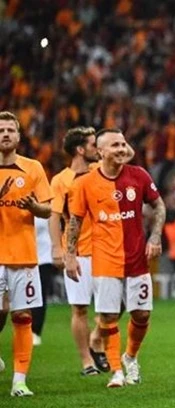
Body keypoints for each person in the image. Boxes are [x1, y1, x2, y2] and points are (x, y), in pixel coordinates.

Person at [66, 128, 166, 388]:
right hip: (105, 260)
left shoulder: (139, 175)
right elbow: (75, 221)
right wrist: (70, 255)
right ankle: (116, 371)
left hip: (137, 259)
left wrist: (155, 237)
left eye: (123, 144)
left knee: (142, 314)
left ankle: (130, 357)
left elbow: (158, 205)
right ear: (100, 152)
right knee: (108, 317)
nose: (121, 149)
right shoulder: (84, 183)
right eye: (115, 145)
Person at [0, 111, 53, 396]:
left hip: (23, 255)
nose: (5, 134)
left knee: (22, 315)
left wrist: (34, 207)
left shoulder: (33, 168)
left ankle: (19, 381)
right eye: (1, 130)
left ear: (19, 136)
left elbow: (48, 208)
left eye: (10, 130)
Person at [49, 126, 109, 375]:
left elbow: (127, 154)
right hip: (79, 253)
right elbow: (54, 217)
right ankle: (87, 362)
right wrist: (57, 249)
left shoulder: (102, 170)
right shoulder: (61, 180)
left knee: (115, 305)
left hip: (107, 249)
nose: (99, 149)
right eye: (94, 144)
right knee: (80, 307)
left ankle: (97, 338)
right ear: (80, 150)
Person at [31, 216, 57, 347]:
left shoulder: (46, 207)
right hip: (21, 257)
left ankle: (35, 331)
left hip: (43, 257)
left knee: (40, 294)